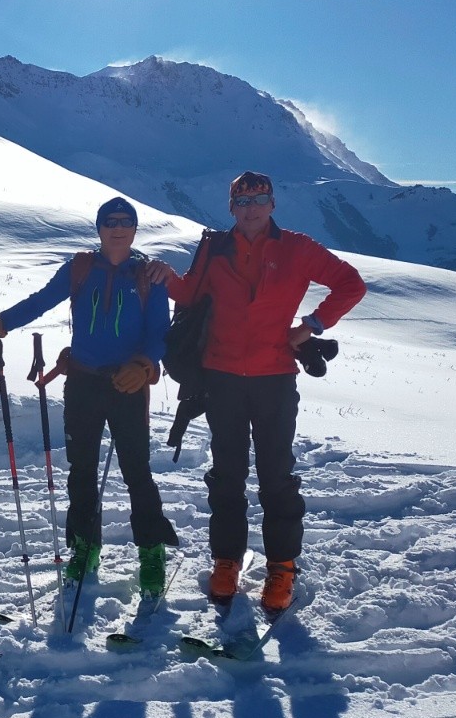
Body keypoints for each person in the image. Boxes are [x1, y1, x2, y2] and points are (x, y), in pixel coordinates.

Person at [146, 171, 366, 613]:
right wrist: (166, 276)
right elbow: (190, 293)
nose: (250, 208)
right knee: (227, 474)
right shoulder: (214, 248)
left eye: (259, 199)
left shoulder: (298, 249)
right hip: (221, 377)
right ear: (231, 207)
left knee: (276, 477)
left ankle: (282, 568)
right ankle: (226, 562)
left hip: (273, 377)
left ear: (272, 204)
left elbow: (351, 284)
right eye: (242, 201)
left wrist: (310, 327)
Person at [0, 197, 176, 597]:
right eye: (110, 222)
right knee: (80, 470)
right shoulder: (80, 268)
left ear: (134, 229)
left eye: (126, 222)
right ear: (99, 228)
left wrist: (144, 366)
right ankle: (85, 546)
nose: (118, 228)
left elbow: (160, 332)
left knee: (137, 470)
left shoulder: (148, 276)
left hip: (128, 386)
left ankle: (151, 551)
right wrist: (0, 323)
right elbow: (40, 302)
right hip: (83, 383)